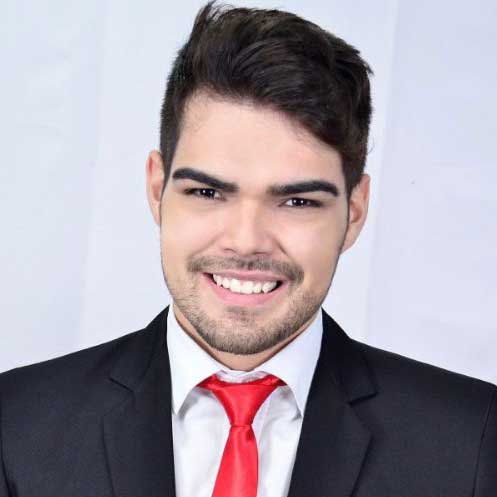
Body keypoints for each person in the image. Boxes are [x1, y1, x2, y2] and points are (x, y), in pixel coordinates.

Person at [1, 1, 495, 496]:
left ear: (355, 211)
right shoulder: (15, 424)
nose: (246, 240)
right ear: (156, 189)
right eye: (208, 192)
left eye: (298, 201)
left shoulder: (472, 442)